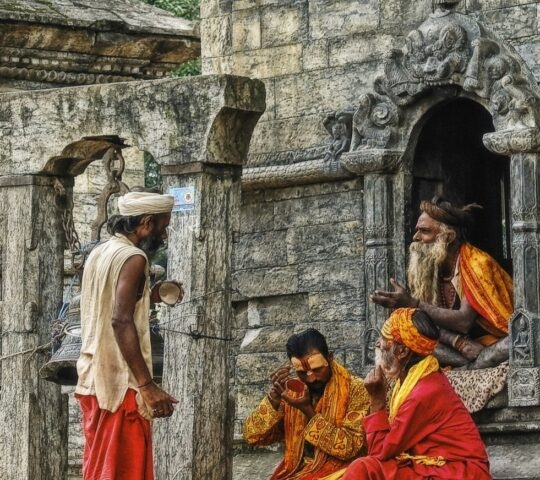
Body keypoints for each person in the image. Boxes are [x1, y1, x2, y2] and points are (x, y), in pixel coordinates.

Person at [75, 191, 182, 480]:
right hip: (119, 384)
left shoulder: (101, 252)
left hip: (94, 378)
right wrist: (147, 385)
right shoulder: (133, 258)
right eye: (163, 226)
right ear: (146, 223)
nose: (165, 234)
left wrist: (149, 297)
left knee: (101, 468)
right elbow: (120, 321)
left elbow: (110, 302)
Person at [342, 308, 492, 479]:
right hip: (430, 465)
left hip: (458, 471)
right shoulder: (416, 378)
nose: (378, 343)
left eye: (385, 339)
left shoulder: (424, 392)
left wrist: (377, 401)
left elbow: (380, 452)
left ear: (402, 352)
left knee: (364, 468)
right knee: (365, 468)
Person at [370, 196, 513, 369]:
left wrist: (412, 303)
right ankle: (469, 367)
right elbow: (426, 324)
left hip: (492, 342)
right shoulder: (429, 268)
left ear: (448, 237)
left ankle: (473, 365)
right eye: (417, 230)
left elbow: (464, 321)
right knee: (404, 333)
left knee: (511, 345)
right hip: (458, 348)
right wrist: (456, 341)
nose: (416, 237)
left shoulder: (477, 263)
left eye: (424, 231)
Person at [243, 328, 370, 480]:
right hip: (299, 472)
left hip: (344, 472)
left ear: (329, 358)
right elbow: (253, 436)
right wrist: (274, 399)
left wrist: (308, 412)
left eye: (317, 370)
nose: (311, 379)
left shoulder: (357, 389)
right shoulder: (293, 391)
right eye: (302, 373)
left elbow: (350, 447)